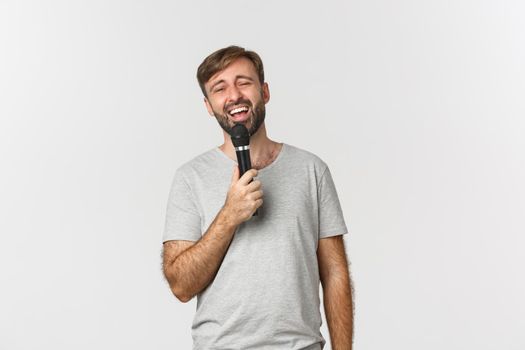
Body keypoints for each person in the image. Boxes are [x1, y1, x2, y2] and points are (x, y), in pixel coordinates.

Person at [162, 45, 353, 349]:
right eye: (219, 88)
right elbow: (181, 286)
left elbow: (334, 273)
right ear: (209, 106)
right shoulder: (190, 178)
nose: (234, 95)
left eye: (244, 82)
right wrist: (229, 215)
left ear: (264, 91)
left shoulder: (311, 170)